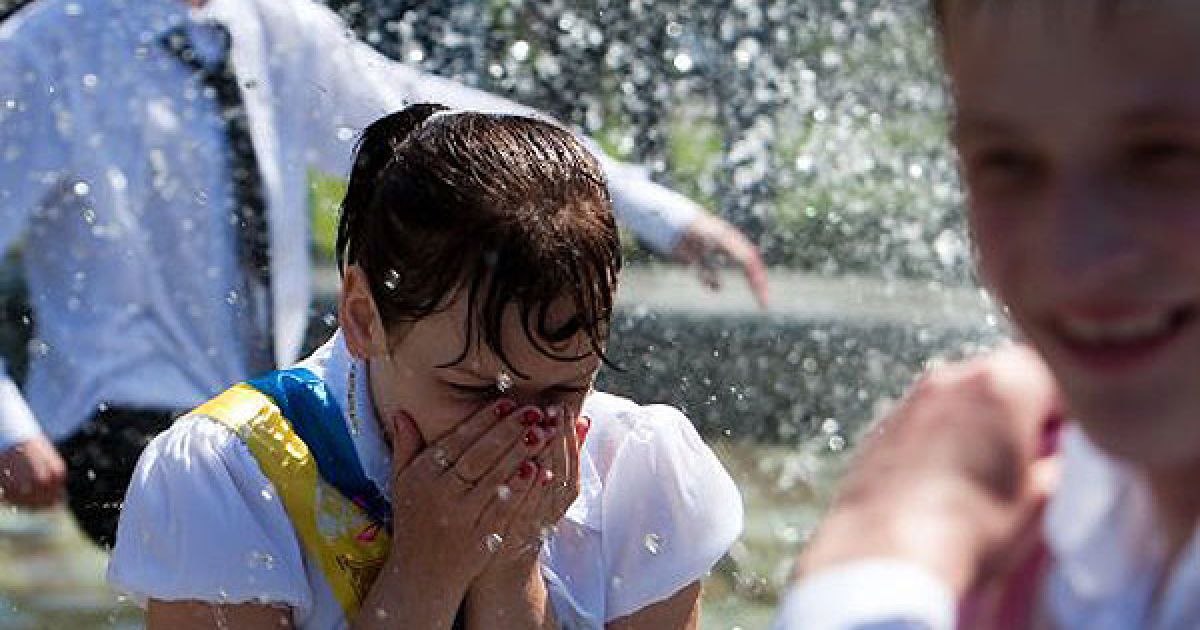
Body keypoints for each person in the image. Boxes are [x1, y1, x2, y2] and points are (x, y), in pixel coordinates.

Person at [0, 0, 767, 547]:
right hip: (113, 412)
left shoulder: (275, 26)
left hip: (264, 401)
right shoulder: (45, 48)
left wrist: (656, 211)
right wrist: (10, 425)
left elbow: (435, 125)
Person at [107, 104, 744, 629]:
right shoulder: (234, 476)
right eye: (471, 389)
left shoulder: (635, 469)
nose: (520, 426)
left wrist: (513, 567)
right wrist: (425, 572)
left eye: (563, 389)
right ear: (362, 319)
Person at [774, 0, 1200, 628]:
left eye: (1165, 156)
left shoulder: (934, 539)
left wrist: (882, 549)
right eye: (1008, 163)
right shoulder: (1078, 524)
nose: (1073, 259)